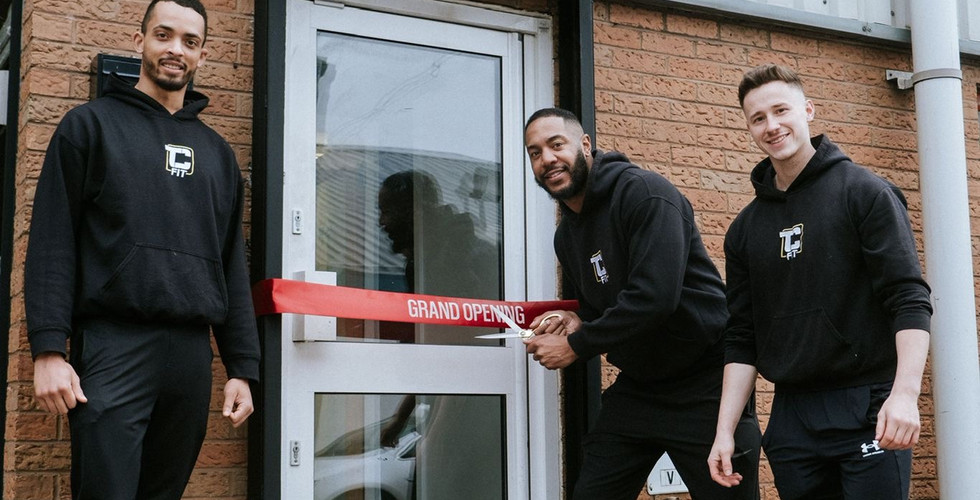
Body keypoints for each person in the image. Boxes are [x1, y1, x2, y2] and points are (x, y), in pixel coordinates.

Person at [24, 1, 261, 499]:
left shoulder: (217, 154)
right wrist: (49, 349)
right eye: (164, 35)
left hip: (191, 356)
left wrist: (241, 366)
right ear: (140, 42)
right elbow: (51, 242)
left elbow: (230, 266)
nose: (176, 50)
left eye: (190, 42)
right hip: (114, 345)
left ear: (202, 55)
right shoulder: (89, 127)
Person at [707, 64, 932, 499]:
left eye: (781, 110)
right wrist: (724, 431)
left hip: (869, 405)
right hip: (793, 417)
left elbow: (908, 298)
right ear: (749, 127)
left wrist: (905, 395)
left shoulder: (864, 192)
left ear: (807, 110)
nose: (772, 126)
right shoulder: (745, 229)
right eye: (758, 118)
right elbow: (741, 336)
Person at [522, 107, 761, 499]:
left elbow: (655, 297)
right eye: (535, 152)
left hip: (706, 383)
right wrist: (575, 319)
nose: (547, 159)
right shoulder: (567, 236)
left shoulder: (645, 193)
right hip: (641, 388)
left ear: (585, 146)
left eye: (556, 144)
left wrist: (575, 346)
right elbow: (604, 308)